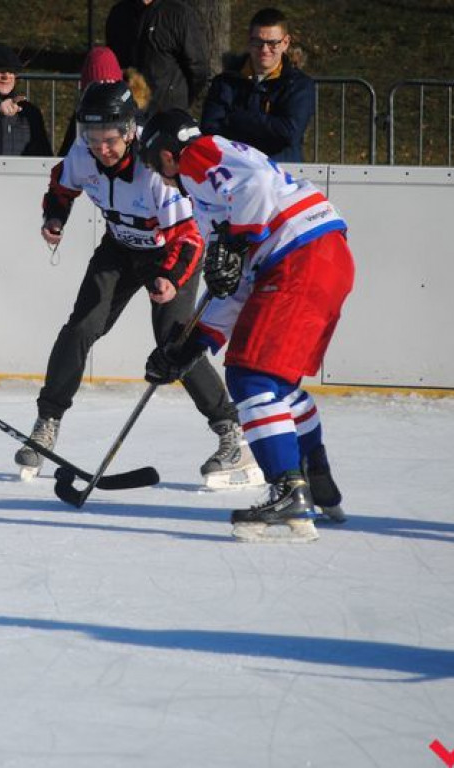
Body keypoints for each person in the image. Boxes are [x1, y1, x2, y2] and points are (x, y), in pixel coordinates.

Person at [14, 81, 259, 489]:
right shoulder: (83, 154)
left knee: (174, 340)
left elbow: (189, 237)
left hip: (169, 250)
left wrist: (170, 278)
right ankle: (46, 424)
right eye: (92, 140)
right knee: (82, 326)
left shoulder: (154, 170)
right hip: (119, 247)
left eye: (109, 140)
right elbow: (62, 185)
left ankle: (232, 434)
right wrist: (55, 217)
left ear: (130, 132)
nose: (101, 150)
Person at [138, 109, 354, 542]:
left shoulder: (198, 155)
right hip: (323, 256)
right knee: (277, 383)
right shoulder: (220, 188)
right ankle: (315, 475)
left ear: (166, 155)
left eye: (154, 167)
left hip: (298, 257)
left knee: (250, 376)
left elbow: (252, 195)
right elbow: (234, 287)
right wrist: (191, 344)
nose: (160, 178)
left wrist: (235, 241)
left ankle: (289, 491)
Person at [199, 8, 314, 164]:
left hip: (281, 172)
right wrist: (265, 129)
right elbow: (210, 129)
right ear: (249, 41)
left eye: (272, 43)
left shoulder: (299, 85)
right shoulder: (225, 82)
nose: (264, 50)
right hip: (235, 169)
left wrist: (237, 119)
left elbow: (289, 133)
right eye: (257, 42)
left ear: (285, 43)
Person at [104, 0, 210, 116]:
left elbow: (198, 67)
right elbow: (113, 64)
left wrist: (179, 98)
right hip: (129, 113)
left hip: (168, 114)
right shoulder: (119, 14)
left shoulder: (178, 13)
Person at [56, 45, 122, 156]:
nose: (104, 97)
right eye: (97, 89)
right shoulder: (80, 120)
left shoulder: (131, 119)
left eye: (109, 88)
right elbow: (65, 160)